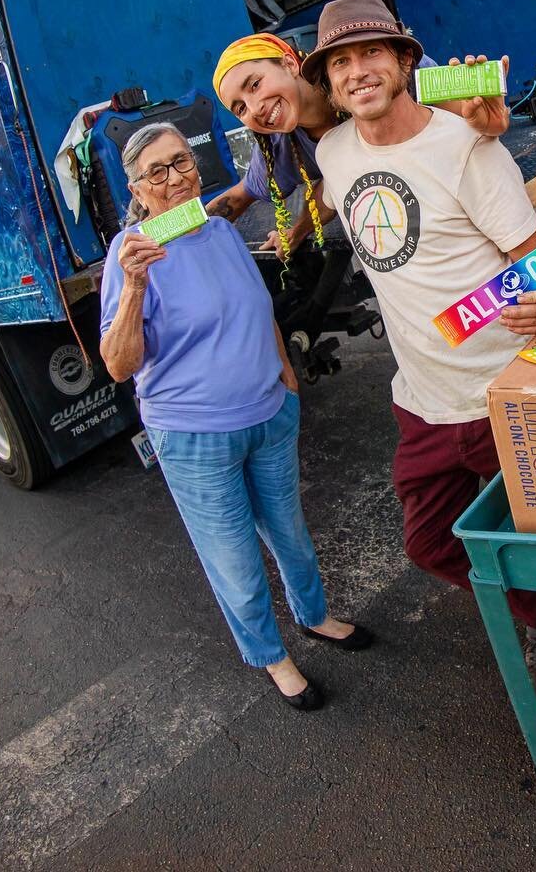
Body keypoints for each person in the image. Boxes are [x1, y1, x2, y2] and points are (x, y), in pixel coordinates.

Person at [300, 0, 536, 701]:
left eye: (372, 52)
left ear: (408, 61)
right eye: (341, 62)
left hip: (504, 386)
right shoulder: (334, 153)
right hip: (425, 401)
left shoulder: (466, 144)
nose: (358, 71)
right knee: (430, 543)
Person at [99, 123, 370, 712]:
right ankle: (271, 655)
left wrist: (287, 377)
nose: (174, 179)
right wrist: (136, 286)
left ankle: (315, 616)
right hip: (194, 437)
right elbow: (120, 366)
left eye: (182, 162)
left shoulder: (220, 230)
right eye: (157, 172)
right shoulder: (128, 260)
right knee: (235, 561)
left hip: (269, 415)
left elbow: (256, 306)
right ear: (137, 190)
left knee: (291, 534)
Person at [208, 32, 510, 258]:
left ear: (289, 63)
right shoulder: (282, 147)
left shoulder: (383, 79)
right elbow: (241, 196)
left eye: (255, 85)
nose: (255, 107)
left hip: (464, 211)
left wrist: (486, 120)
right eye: (240, 109)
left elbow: (476, 115)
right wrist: (170, 234)